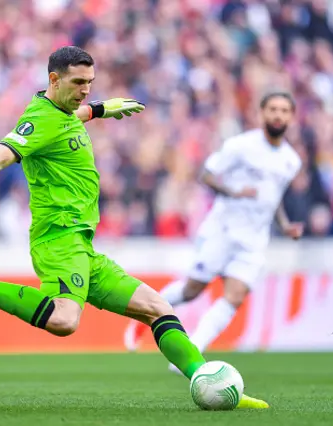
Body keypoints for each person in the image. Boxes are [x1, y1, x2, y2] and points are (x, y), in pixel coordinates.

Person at [0, 46, 268, 409]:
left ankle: (209, 382)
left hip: (83, 246)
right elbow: (1, 155)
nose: (86, 90)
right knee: (63, 320)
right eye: (79, 83)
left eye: (90, 82)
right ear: (53, 80)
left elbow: (71, 118)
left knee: (158, 307)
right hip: (58, 240)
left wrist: (102, 109)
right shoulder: (40, 119)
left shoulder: (65, 110)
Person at [123, 92, 303, 368]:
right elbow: (207, 175)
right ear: (261, 113)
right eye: (273, 109)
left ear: (291, 116)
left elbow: (273, 197)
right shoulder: (241, 146)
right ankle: (143, 317)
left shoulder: (291, 160)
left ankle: (191, 352)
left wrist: (285, 225)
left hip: (254, 240)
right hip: (223, 229)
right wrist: (234, 191)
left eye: (284, 110)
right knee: (192, 290)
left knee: (235, 296)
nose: (278, 115)